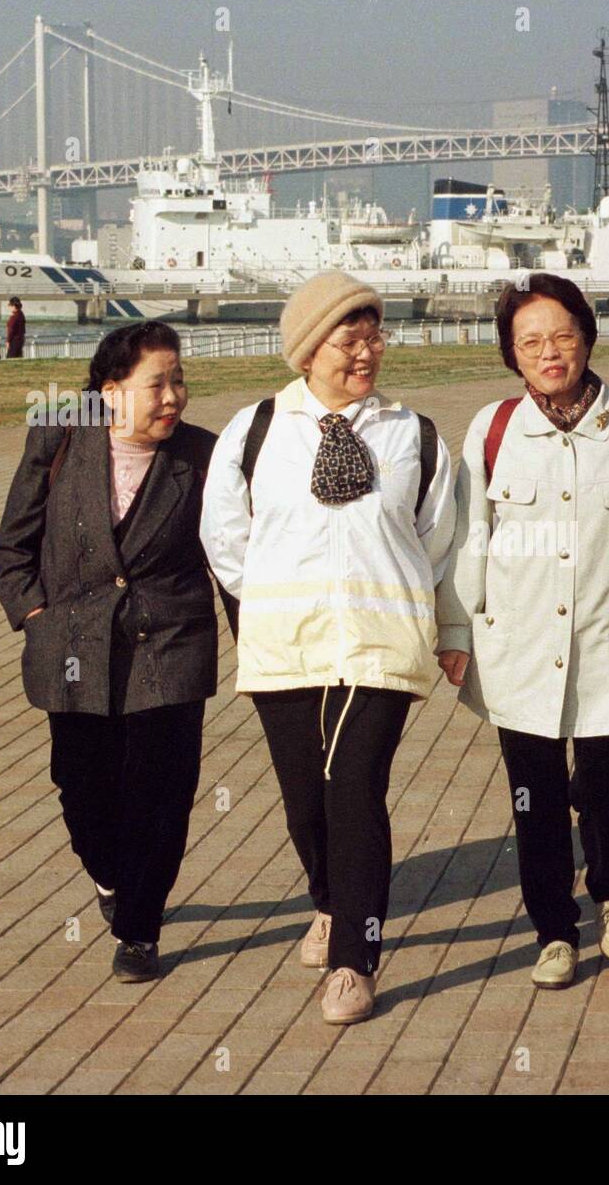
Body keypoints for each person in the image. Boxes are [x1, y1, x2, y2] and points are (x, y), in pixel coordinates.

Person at [436, 273, 609, 990]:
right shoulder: (494, 430)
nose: (549, 351)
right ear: (510, 353)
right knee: (531, 798)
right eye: (529, 341)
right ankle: (553, 933)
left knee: (607, 786)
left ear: (588, 337)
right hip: (519, 649)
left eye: (562, 334)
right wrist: (456, 631)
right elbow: (471, 537)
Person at [201, 271, 456, 1025]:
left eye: (375, 335)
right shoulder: (253, 432)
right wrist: (284, 601)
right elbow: (226, 538)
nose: (366, 352)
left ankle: (355, 959)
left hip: (382, 647)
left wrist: (434, 620)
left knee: (354, 791)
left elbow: (439, 539)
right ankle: (328, 900)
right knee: (305, 799)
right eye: (350, 339)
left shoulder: (414, 434)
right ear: (308, 349)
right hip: (286, 646)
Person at [0, 321, 218, 983]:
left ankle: (140, 929)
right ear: (110, 392)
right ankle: (113, 875)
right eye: (158, 384)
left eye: (179, 380)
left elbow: (231, 559)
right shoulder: (59, 438)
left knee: (163, 791)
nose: (173, 396)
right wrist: (33, 615)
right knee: (81, 785)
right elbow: (14, 541)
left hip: (170, 644)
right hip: (73, 645)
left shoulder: (201, 456)